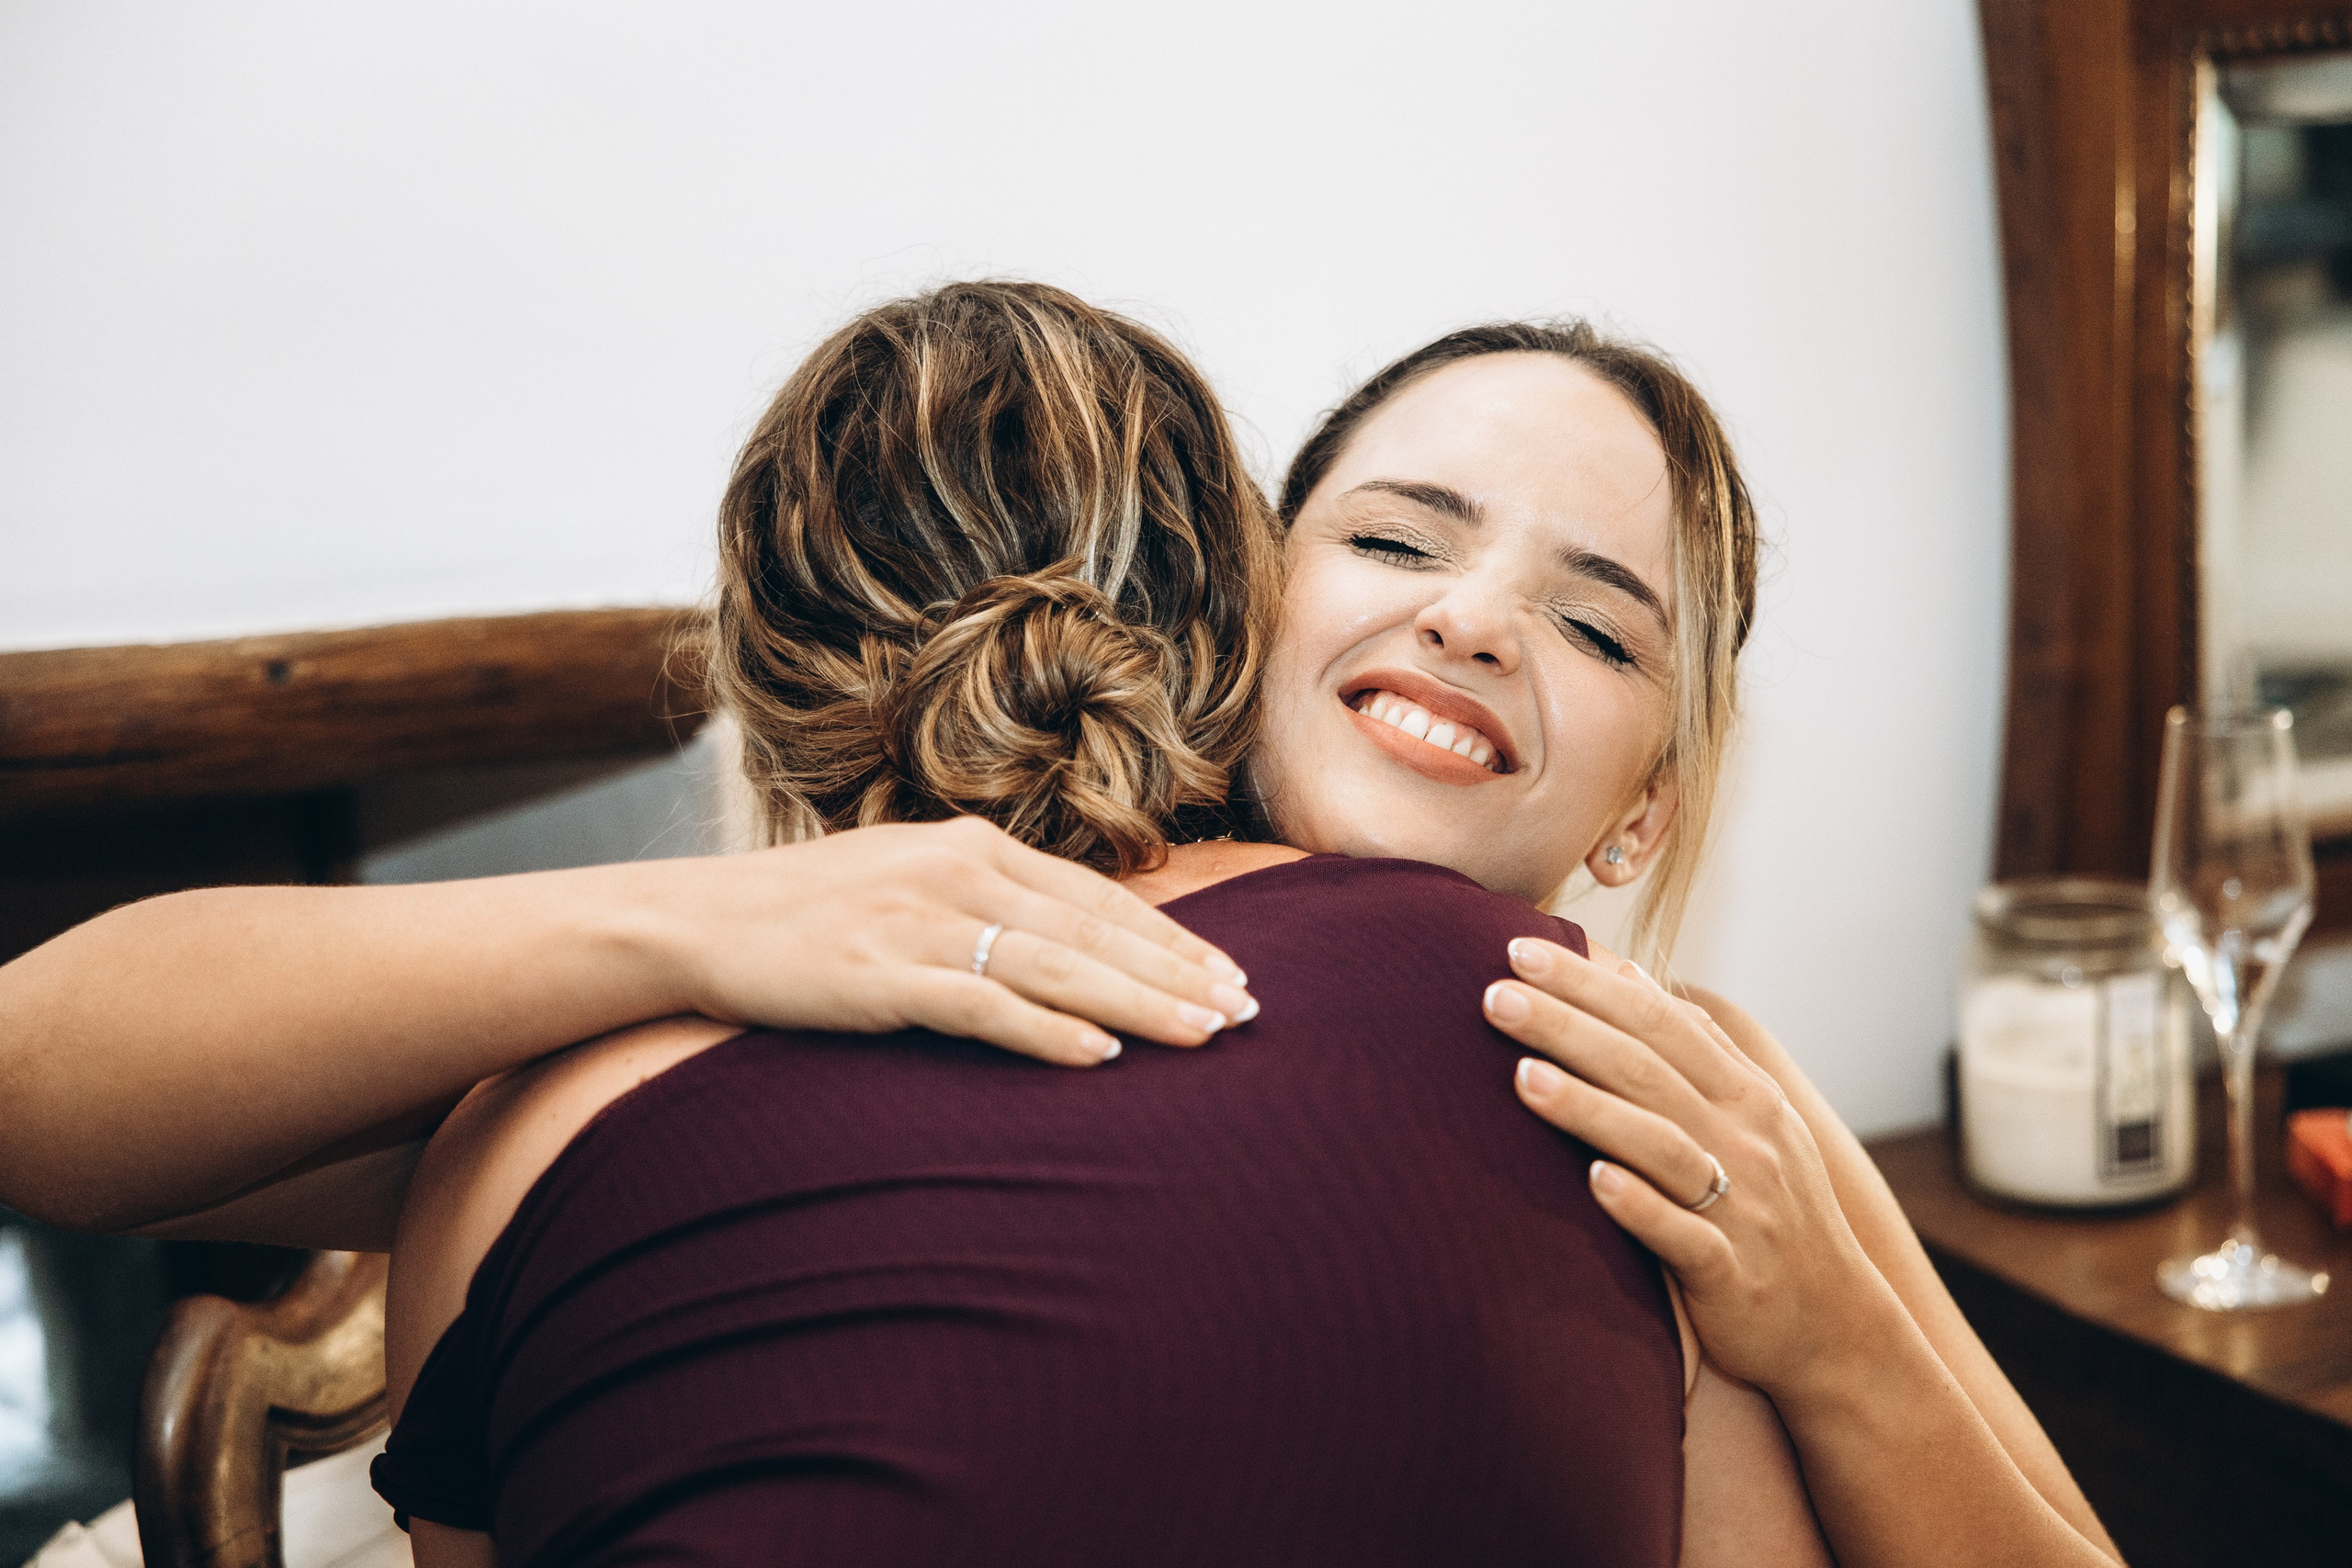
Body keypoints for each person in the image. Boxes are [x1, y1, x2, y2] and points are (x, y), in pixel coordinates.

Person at [0, 286, 2120, 1566]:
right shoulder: (772, 987)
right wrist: (725, 921)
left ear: (1643, 803)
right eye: (1394, 533)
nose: (1476, 615)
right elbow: (61, 1077)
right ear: (1243, 602)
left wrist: (1836, 1315)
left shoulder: (1656, 1079)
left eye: (1594, 621)